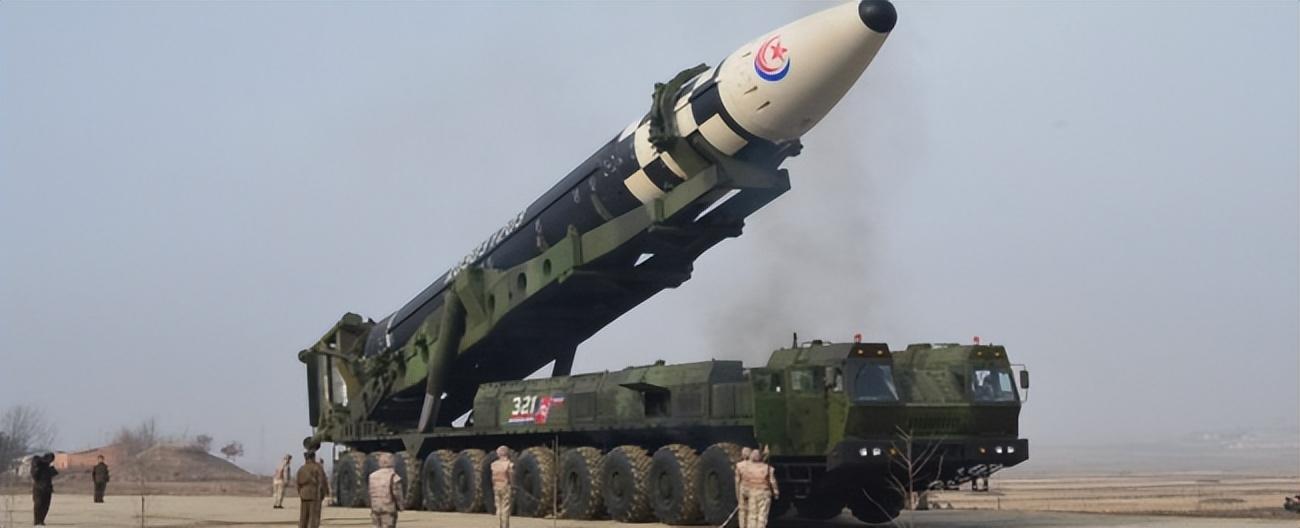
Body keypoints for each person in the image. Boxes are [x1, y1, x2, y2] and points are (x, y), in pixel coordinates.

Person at [737, 448, 779, 528]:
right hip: (764, 494)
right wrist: (776, 492)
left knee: (752, 515)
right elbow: (772, 481)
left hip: (752, 493)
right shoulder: (767, 468)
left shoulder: (747, 468)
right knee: (762, 515)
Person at [367, 452, 404, 528]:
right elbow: (397, 493)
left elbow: (370, 492)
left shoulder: (372, 476)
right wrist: (401, 506)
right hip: (388, 507)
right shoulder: (393, 476)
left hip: (375, 507)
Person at [295, 450, 330, 528]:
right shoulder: (317, 468)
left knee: (303, 517)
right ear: (313, 457)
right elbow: (322, 481)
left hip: (304, 494)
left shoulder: (301, 469)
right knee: (314, 518)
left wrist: (300, 493)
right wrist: (324, 494)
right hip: (314, 494)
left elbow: (298, 484)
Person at [489, 446, 514, 528]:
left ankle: (498, 525)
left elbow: (492, 477)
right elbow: (511, 476)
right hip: (505, 486)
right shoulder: (509, 464)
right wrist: (512, 485)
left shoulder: (494, 464)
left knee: (498, 507)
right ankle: (505, 526)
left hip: (496, 486)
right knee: (505, 508)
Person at [31, 452, 58, 526]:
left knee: (45, 506)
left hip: (47, 488)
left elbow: (52, 474)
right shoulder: (38, 462)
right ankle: (37, 521)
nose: (51, 461)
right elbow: (35, 474)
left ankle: (41, 520)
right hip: (39, 488)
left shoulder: (47, 467)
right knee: (39, 504)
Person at [735, 447, 753, 528]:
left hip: (743, 490)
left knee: (742, 511)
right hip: (753, 490)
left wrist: (737, 495)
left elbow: (737, 481)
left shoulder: (739, 466)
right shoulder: (756, 465)